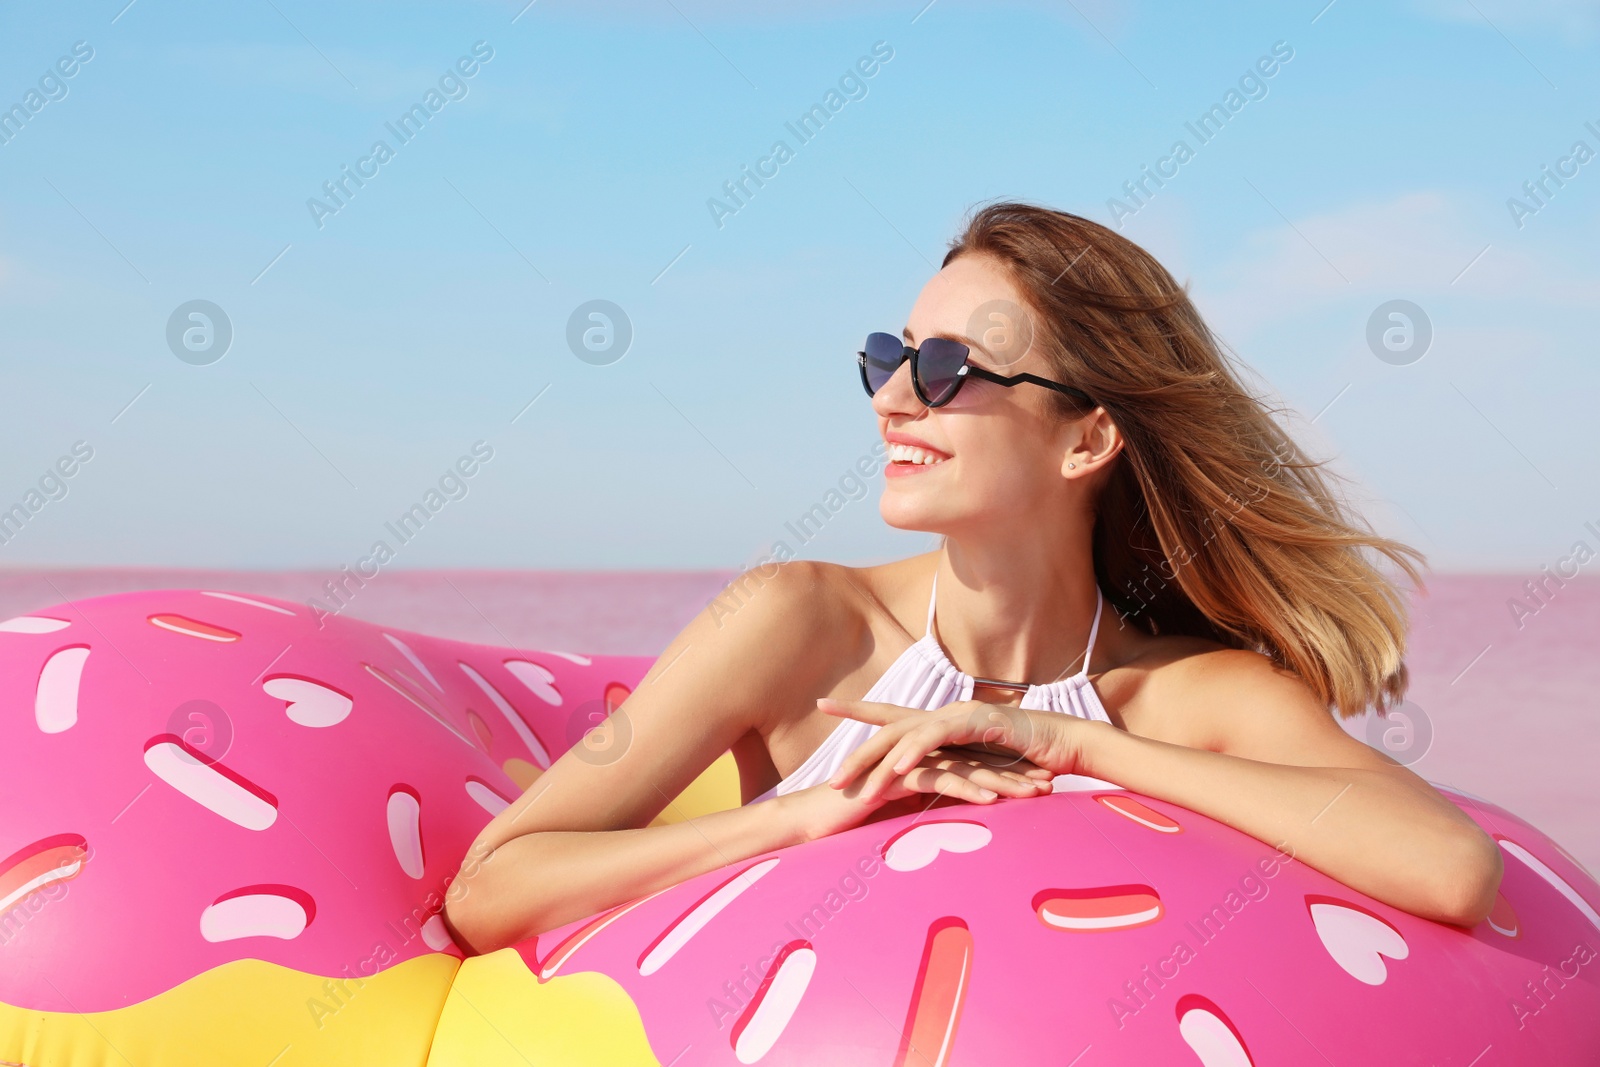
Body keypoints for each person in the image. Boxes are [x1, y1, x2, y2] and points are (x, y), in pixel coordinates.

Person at [441, 200, 1502, 956]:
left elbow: (1448, 866)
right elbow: (492, 889)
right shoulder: (802, 624)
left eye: (945, 370)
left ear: (1086, 438)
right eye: (887, 355)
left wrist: (1079, 744)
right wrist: (805, 815)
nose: (891, 398)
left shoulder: (1185, 695)